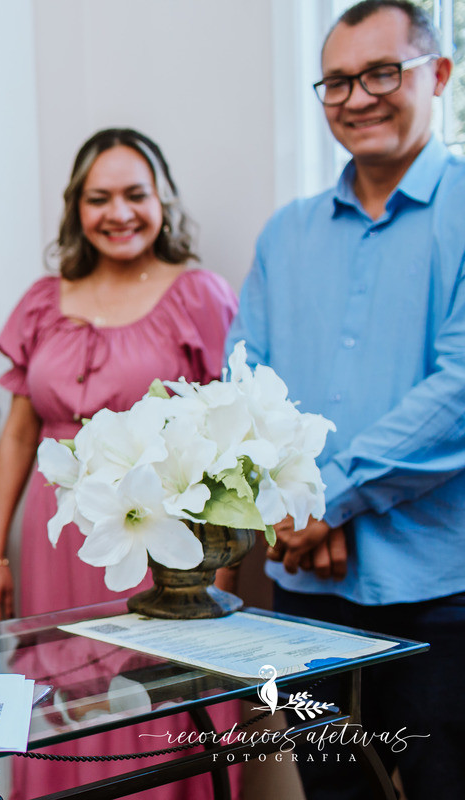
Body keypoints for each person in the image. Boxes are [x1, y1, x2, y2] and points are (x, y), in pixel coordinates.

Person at [229, 2, 463, 797]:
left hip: (441, 589)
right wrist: (294, 507)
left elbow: (459, 389)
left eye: (381, 73)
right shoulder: (284, 234)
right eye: (337, 81)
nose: (358, 97)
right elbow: (243, 384)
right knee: (331, 790)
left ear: (439, 74)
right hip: (307, 589)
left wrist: (328, 499)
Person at [0, 128, 237, 800]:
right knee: (64, 689)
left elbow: (224, 439)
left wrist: (221, 563)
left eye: (134, 195)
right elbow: (19, 436)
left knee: (159, 690)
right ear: (76, 207)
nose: (118, 213)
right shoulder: (43, 299)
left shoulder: (199, 294)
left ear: (163, 201)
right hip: (56, 535)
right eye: (99, 198)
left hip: (163, 535)